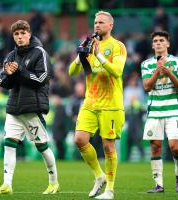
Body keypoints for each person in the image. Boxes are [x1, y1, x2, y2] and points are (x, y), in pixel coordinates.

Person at [0, 20, 59, 195]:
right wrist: (10, 74)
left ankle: (54, 183)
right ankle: (7, 184)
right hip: (14, 107)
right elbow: (3, 81)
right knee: (9, 144)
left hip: (32, 108)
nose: (19, 37)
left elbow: (42, 78)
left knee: (42, 147)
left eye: (22, 33)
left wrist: (20, 71)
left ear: (29, 34)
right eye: (16, 34)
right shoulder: (10, 55)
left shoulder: (39, 52)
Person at [69, 11, 127, 199]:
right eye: (95, 22)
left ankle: (109, 190)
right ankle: (99, 176)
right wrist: (81, 55)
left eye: (101, 22)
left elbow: (117, 71)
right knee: (79, 139)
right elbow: (72, 72)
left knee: (108, 147)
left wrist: (99, 55)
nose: (97, 25)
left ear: (111, 25)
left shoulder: (118, 46)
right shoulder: (89, 45)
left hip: (111, 104)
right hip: (90, 102)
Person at [141, 31, 178, 193]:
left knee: (175, 147)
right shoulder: (146, 64)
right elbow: (147, 87)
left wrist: (169, 73)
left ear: (168, 44)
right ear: (152, 45)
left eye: (161, 40)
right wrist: (157, 71)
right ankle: (159, 185)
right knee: (155, 148)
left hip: (173, 110)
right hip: (154, 112)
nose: (158, 43)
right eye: (155, 41)